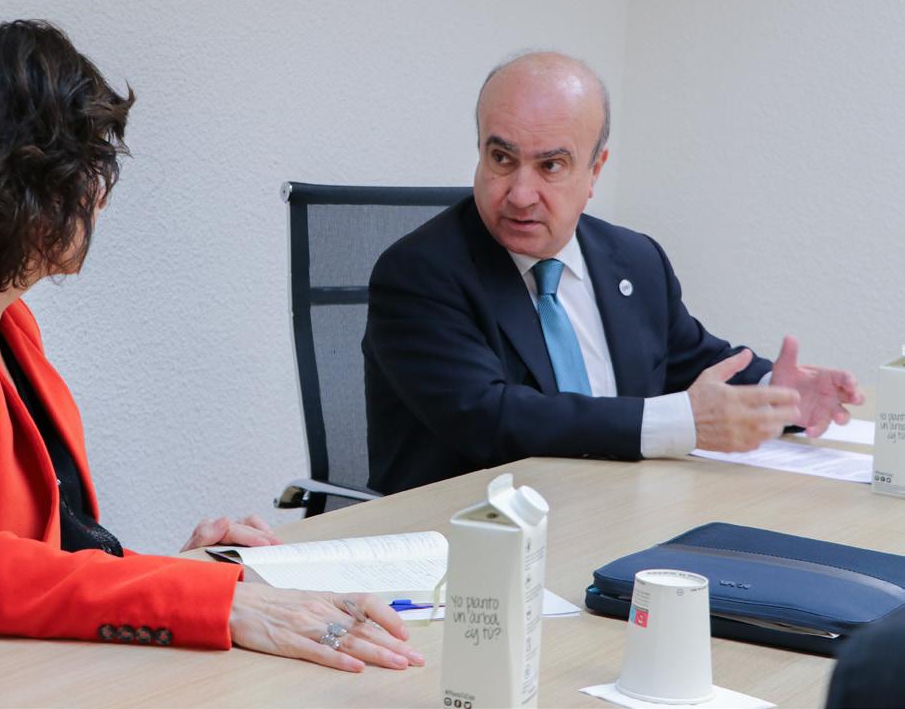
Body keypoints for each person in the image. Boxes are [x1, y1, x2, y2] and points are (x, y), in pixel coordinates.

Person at [0, 20, 423, 674]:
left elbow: (44, 549)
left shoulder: (3, 321)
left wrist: (193, 575)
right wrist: (213, 601)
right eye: (87, 168)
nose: (99, 195)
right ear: (13, 183)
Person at [363, 51, 862, 494]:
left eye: (551, 166)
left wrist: (777, 394)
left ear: (595, 171)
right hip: (469, 541)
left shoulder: (634, 260)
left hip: (616, 516)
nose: (520, 194)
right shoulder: (419, 273)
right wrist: (678, 423)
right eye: (501, 158)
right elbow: (492, 418)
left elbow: (693, 364)